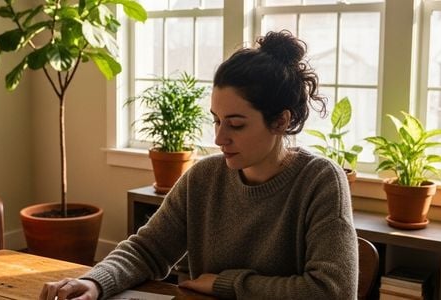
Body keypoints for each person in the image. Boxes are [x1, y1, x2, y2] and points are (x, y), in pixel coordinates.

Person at [39, 30, 358, 300]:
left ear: (280, 121)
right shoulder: (204, 177)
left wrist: (226, 284)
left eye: (236, 124)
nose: (219, 138)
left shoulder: (320, 181)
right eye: (216, 120)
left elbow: (334, 291)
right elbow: (148, 249)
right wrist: (95, 282)